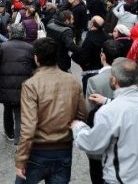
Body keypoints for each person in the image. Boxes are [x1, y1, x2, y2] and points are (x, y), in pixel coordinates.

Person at [71, 58, 138, 184]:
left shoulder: (108, 112)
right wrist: (107, 101)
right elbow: (128, 108)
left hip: (124, 178)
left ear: (113, 79)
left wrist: (79, 127)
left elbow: (93, 145)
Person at [15, 37, 86, 184]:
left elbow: (28, 127)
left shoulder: (31, 85)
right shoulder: (73, 81)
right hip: (63, 149)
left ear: (36, 58)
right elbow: (81, 116)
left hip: (38, 151)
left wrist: (21, 159)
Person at [0, 23, 33, 144]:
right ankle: (20, 136)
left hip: (5, 84)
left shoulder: (3, 46)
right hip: (24, 85)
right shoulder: (30, 48)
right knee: (20, 111)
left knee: (7, 109)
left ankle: (9, 133)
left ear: (11, 33)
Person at [83, 40, 123, 184]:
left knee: (97, 172)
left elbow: (90, 110)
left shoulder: (94, 81)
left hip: (102, 133)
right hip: (123, 135)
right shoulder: (128, 76)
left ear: (103, 56)